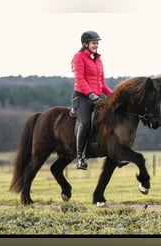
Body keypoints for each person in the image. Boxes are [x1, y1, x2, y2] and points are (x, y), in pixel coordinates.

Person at [70, 31, 113, 170]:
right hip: (81, 96)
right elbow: (80, 80)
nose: (96, 45)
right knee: (86, 123)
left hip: (97, 96)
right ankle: (80, 158)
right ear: (85, 44)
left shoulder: (98, 60)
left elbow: (102, 83)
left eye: (97, 43)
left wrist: (114, 95)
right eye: (94, 43)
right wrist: (91, 95)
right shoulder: (78, 58)